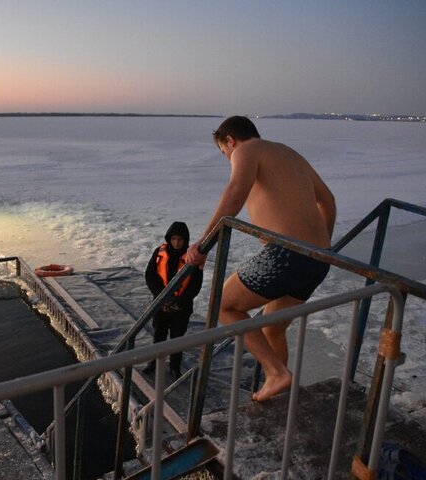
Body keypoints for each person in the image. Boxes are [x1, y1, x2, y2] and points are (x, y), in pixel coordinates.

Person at [185, 116, 336, 402]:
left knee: (224, 303)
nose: (228, 158)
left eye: (224, 153)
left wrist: (203, 246)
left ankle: (276, 373)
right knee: (272, 328)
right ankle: (278, 388)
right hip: (317, 260)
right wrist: (322, 245)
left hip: (286, 254)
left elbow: (234, 195)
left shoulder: (246, 150)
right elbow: (328, 201)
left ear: (230, 140)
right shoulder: (290, 154)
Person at [143, 221, 203, 379]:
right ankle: (154, 362)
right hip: (160, 305)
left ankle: (175, 367)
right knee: (159, 335)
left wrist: (179, 303)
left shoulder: (193, 258)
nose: (177, 243)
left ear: (186, 240)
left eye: (181, 239)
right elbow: (150, 275)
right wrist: (161, 298)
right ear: (169, 239)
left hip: (181, 308)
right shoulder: (159, 252)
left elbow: (195, 285)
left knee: (177, 339)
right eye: (174, 239)